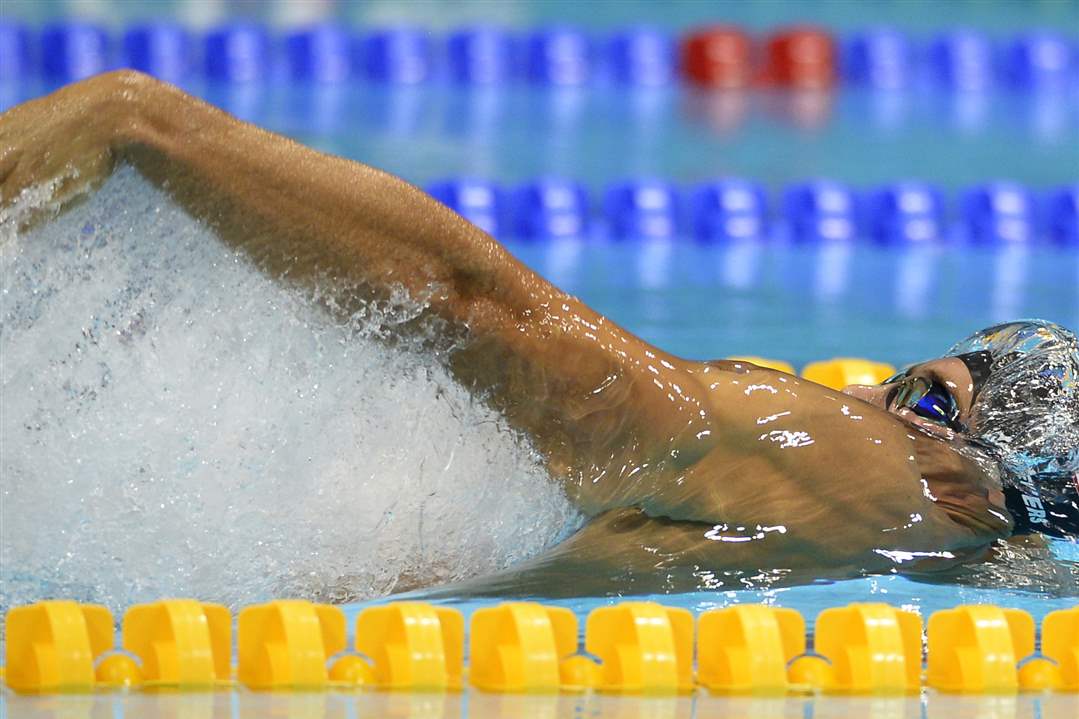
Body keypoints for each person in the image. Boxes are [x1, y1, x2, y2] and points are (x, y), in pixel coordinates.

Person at [2, 71, 1075, 596]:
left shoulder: (847, 462)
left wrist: (144, 127)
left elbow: (473, 303)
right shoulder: (957, 554)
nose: (873, 405)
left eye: (927, 399)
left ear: (977, 478)